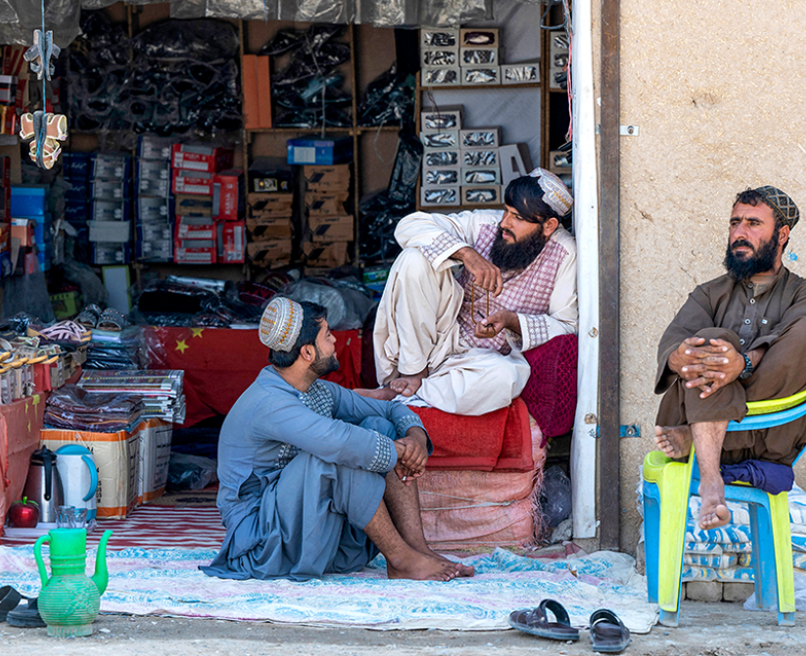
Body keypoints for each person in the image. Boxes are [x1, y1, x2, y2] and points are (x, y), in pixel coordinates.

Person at [201, 297, 472, 582]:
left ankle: (417, 550)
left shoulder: (317, 390)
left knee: (377, 427)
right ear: (307, 352)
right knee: (332, 456)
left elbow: (389, 409)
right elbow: (337, 442)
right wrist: (399, 452)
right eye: (328, 335)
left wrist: (414, 438)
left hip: (315, 536)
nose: (335, 341)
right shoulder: (269, 401)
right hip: (263, 546)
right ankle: (400, 559)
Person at [652, 186, 806, 530]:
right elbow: (671, 345)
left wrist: (744, 363)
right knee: (711, 341)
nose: (739, 233)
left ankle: (698, 439)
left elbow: (800, 342)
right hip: (701, 411)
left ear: (781, 235)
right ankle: (711, 482)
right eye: (735, 222)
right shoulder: (709, 292)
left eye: (753, 223)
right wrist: (688, 355)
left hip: (771, 434)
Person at [360, 168, 577, 416]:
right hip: (439, 339)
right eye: (506, 210)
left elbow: (567, 326)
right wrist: (466, 253)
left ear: (548, 226)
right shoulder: (484, 224)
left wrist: (511, 321)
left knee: (507, 376)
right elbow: (409, 225)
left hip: (479, 362)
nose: (504, 223)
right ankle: (412, 373)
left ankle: (415, 391)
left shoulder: (565, 254)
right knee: (413, 259)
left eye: (517, 217)